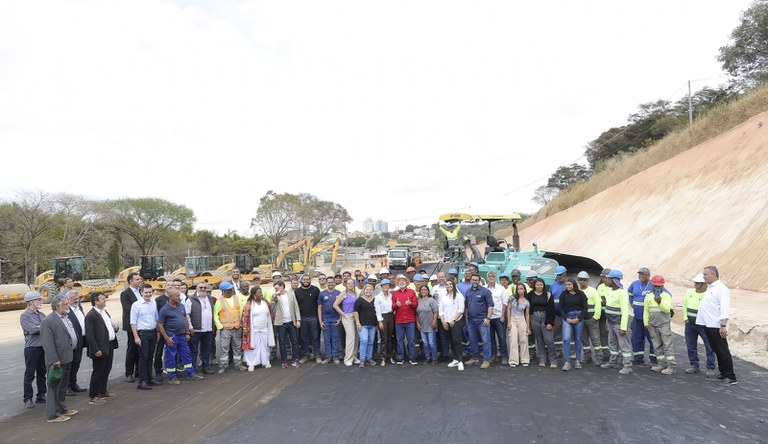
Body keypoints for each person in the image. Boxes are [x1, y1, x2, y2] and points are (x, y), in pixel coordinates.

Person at [696, 266, 737, 386]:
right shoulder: (710, 288)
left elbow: (724, 308)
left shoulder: (721, 288)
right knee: (716, 350)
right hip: (708, 325)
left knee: (723, 351)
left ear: (714, 274)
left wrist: (723, 325)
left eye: (706, 274)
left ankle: (730, 376)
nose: (704, 276)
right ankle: (723, 373)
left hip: (717, 325)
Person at [40, 294, 78, 423]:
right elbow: (47, 343)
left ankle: (62, 408)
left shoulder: (65, 317)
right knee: (54, 388)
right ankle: (52, 414)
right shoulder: (48, 321)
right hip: (57, 360)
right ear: (57, 306)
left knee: (62, 387)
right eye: (65, 304)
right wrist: (54, 359)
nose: (68, 305)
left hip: (67, 357)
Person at [157, 286, 203, 385]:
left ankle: (191, 374)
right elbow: (160, 324)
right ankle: (172, 377)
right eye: (177, 296)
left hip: (182, 336)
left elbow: (185, 319)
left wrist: (187, 333)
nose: (180, 297)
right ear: (171, 297)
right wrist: (167, 338)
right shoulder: (164, 310)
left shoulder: (181, 306)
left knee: (186, 355)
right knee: (171, 357)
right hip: (172, 337)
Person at [85, 291, 119, 404]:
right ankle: (93, 396)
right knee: (98, 371)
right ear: (96, 302)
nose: (105, 301)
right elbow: (90, 335)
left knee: (106, 369)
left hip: (108, 345)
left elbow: (107, 326)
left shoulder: (104, 312)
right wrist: (96, 349)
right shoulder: (91, 316)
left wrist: (114, 328)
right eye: (103, 299)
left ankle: (102, 391)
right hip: (99, 347)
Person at [683, 273, 716, 377]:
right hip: (690, 324)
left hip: (704, 325)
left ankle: (710, 367)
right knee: (691, 345)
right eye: (695, 283)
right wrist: (685, 318)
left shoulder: (709, 294)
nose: (696, 285)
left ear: (704, 284)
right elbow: (685, 304)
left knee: (709, 346)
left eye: (698, 283)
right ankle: (694, 365)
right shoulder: (689, 292)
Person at [601, 270, 633, 375]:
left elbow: (625, 311)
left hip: (619, 324)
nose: (607, 280)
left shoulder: (622, 293)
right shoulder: (609, 291)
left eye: (609, 279)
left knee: (624, 345)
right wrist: (607, 321)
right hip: (610, 323)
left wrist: (623, 327)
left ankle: (628, 366)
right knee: (612, 343)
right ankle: (613, 361)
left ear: (614, 280)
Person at [644, 275, 676, 375]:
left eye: (659, 286)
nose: (658, 288)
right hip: (652, 325)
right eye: (656, 286)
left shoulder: (666, 296)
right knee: (656, 345)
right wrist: (646, 323)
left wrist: (660, 302)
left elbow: (666, 309)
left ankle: (671, 366)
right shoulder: (648, 296)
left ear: (662, 286)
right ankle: (661, 364)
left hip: (664, 324)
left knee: (667, 345)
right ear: (652, 285)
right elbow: (646, 311)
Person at [21, 291, 47, 408]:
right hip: (32, 348)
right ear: (31, 302)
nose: (40, 302)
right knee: (30, 374)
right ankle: (27, 398)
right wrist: (42, 327)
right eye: (38, 300)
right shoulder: (25, 316)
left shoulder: (41, 315)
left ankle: (41, 395)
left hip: (43, 347)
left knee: (42, 373)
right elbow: (33, 330)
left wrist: (39, 327)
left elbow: (48, 327)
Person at [213, 281, 247, 374]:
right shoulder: (219, 301)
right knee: (224, 348)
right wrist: (220, 326)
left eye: (231, 289)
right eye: (228, 290)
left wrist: (241, 324)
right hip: (226, 329)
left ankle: (238, 364)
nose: (230, 291)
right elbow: (215, 315)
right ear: (223, 291)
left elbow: (240, 311)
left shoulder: (236, 298)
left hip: (237, 328)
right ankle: (223, 365)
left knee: (237, 347)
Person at [627, 267, 658, 366]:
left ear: (648, 276)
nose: (640, 275)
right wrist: (631, 301)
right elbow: (629, 292)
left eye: (643, 274)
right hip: (638, 317)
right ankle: (638, 358)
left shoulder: (653, 285)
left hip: (650, 319)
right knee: (636, 337)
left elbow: (665, 293)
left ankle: (654, 359)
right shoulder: (634, 284)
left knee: (653, 338)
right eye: (639, 274)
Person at [130, 284, 158, 390]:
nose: (148, 294)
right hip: (143, 334)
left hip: (153, 333)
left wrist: (158, 333)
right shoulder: (136, 305)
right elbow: (132, 322)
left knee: (150, 357)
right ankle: (142, 381)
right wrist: (136, 337)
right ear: (141, 292)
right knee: (143, 358)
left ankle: (149, 378)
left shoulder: (154, 303)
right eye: (146, 292)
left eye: (150, 292)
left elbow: (156, 318)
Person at [184, 282, 215, 374]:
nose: (203, 289)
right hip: (196, 330)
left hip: (208, 329)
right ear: (196, 288)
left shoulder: (209, 298)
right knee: (193, 350)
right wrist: (190, 327)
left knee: (207, 349)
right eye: (200, 287)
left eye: (205, 288)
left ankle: (206, 367)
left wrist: (213, 326)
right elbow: (187, 315)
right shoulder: (190, 299)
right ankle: (192, 368)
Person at [465, 274, 494, 369]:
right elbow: (466, 306)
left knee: (486, 341)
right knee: (472, 340)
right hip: (471, 321)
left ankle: (486, 360)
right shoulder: (468, 292)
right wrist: (466, 317)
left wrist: (488, 318)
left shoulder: (485, 291)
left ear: (479, 281)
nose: (474, 281)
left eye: (476, 280)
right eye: (473, 280)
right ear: (471, 280)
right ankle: (474, 358)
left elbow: (490, 305)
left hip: (482, 320)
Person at [242, 287, 275, 370]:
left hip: (264, 329)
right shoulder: (249, 305)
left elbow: (270, 314)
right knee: (253, 347)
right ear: (254, 294)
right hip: (253, 330)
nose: (261, 294)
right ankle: (251, 363)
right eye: (259, 293)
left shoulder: (265, 303)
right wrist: (246, 329)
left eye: (261, 292)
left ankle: (265, 362)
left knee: (265, 346)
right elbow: (245, 318)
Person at [559, 278, 588, 371]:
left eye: (569, 284)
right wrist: (566, 318)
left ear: (574, 285)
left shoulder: (581, 294)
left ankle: (577, 360)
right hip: (567, 317)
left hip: (578, 317)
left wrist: (578, 318)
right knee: (566, 338)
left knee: (578, 338)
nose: (567, 286)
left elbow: (585, 308)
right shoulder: (563, 294)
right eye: (566, 285)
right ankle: (567, 362)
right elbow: (561, 308)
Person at [273, 280, 302, 369]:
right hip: (281, 323)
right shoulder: (277, 296)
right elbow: (273, 298)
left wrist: (298, 319)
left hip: (291, 321)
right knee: (282, 342)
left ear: (282, 286)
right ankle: (284, 361)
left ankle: (295, 360)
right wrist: (277, 292)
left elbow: (296, 307)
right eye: (275, 288)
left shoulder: (291, 294)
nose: (276, 290)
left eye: (277, 288)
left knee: (294, 341)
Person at [527, 278, 556, 368]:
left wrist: (549, 322)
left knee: (549, 340)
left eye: (541, 284)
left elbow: (551, 309)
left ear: (543, 285)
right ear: (534, 285)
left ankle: (553, 360)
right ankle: (542, 359)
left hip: (545, 318)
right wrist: (529, 324)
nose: (539, 286)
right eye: (537, 285)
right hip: (534, 318)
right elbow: (528, 309)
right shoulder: (530, 295)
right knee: (539, 340)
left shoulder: (548, 295)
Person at [577, 271, 603, 366]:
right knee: (584, 339)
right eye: (580, 280)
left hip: (591, 319)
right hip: (581, 320)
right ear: (578, 280)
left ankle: (599, 357)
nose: (582, 281)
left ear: (587, 280)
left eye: (584, 280)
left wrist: (595, 317)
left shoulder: (593, 291)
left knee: (595, 339)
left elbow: (598, 304)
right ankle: (587, 357)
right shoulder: (577, 291)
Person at [120, 272, 142, 383]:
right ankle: (129, 373)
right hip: (131, 326)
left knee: (141, 349)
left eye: (139, 279)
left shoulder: (141, 292)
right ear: (131, 281)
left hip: (142, 324)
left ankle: (139, 370)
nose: (139, 281)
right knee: (132, 349)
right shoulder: (125, 294)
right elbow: (128, 309)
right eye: (137, 279)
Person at [391, 274, 418, 365]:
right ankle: (400, 357)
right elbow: (392, 306)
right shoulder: (395, 293)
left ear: (406, 282)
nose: (401, 282)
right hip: (399, 320)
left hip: (410, 320)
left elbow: (415, 305)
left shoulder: (411, 292)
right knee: (399, 339)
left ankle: (412, 357)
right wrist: (396, 305)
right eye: (399, 281)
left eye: (403, 280)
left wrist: (410, 303)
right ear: (397, 283)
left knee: (411, 339)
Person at [439, 279, 465, 371]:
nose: (449, 285)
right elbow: (441, 310)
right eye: (447, 284)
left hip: (456, 321)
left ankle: (460, 361)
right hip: (446, 322)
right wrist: (443, 321)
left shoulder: (459, 296)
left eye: (450, 284)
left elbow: (461, 310)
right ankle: (455, 359)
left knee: (457, 340)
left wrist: (454, 320)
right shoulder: (444, 296)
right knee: (451, 341)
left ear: (454, 285)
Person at [295, 274, 321, 364]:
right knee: (304, 338)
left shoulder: (315, 290)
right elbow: (296, 306)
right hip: (302, 318)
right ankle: (305, 355)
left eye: (307, 279)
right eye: (304, 279)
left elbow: (319, 305)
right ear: (301, 281)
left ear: (310, 280)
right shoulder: (297, 292)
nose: (306, 281)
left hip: (314, 317)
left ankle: (317, 355)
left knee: (315, 337)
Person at [334, 279, 360, 366]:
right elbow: (335, 305)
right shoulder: (343, 294)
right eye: (348, 283)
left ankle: (354, 357)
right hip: (347, 317)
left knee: (356, 338)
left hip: (356, 316)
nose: (350, 285)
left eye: (352, 283)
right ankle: (348, 359)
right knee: (351, 338)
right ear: (346, 284)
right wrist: (343, 314)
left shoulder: (356, 294)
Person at [485, 271, 508, 364]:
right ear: (487, 277)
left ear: (496, 277)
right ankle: (493, 355)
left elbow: (505, 302)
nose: (491, 277)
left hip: (499, 317)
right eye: (489, 276)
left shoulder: (501, 288)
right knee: (490, 338)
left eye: (493, 276)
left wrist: (503, 315)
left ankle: (504, 356)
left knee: (502, 337)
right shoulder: (484, 288)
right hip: (488, 317)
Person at [318, 276, 341, 364]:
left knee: (335, 339)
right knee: (327, 339)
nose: (331, 283)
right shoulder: (322, 294)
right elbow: (319, 308)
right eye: (329, 282)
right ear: (326, 283)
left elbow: (341, 306)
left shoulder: (338, 293)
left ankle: (335, 356)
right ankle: (328, 357)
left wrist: (340, 318)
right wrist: (320, 321)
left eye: (332, 282)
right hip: (325, 320)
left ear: (335, 283)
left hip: (335, 319)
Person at [506, 283, 530, 367]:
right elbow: (508, 310)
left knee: (523, 339)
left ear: (524, 290)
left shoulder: (527, 302)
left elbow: (527, 315)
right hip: (513, 319)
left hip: (521, 319)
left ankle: (525, 359)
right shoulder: (512, 299)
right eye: (518, 289)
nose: (520, 290)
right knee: (513, 340)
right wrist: (509, 322)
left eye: (521, 289)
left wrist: (528, 327)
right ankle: (513, 360)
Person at [354, 284, 378, 368]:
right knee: (364, 340)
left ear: (372, 291)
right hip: (363, 325)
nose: (368, 291)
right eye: (367, 290)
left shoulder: (375, 300)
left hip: (373, 325)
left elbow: (378, 311)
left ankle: (369, 358)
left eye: (370, 290)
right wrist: (357, 322)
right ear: (364, 290)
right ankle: (362, 359)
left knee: (371, 342)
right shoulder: (359, 300)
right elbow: (356, 312)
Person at [416, 284, 439, 365]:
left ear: (428, 291)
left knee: (432, 343)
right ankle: (427, 357)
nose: (423, 291)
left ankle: (434, 358)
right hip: (422, 326)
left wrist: (434, 322)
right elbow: (416, 314)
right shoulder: (418, 301)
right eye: (422, 290)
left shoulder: (431, 300)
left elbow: (436, 312)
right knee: (425, 343)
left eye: (425, 290)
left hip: (431, 325)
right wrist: (417, 323)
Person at [374, 278, 395, 366]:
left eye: (388, 285)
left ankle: (390, 357)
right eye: (384, 285)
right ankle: (383, 357)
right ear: (381, 287)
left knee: (390, 338)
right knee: (384, 339)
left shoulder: (391, 296)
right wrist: (380, 321)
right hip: (382, 317)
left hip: (391, 316)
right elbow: (377, 310)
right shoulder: (378, 297)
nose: (386, 287)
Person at [549, 266, 567, 357]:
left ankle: (571, 352)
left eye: (561, 275)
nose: (559, 277)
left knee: (569, 334)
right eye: (558, 275)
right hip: (556, 315)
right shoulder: (553, 285)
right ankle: (558, 350)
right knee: (557, 333)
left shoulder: (568, 285)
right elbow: (550, 299)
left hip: (567, 314)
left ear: (565, 274)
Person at [596, 268, 612, 364]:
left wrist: (606, 301)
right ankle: (606, 354)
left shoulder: (615, 287)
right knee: (603, 334)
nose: (603, 279)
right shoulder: (600, 287)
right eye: (602, 277)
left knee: (613, 335)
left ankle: (615, 355)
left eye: (605, 277)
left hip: (613, 316)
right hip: (602, 315)